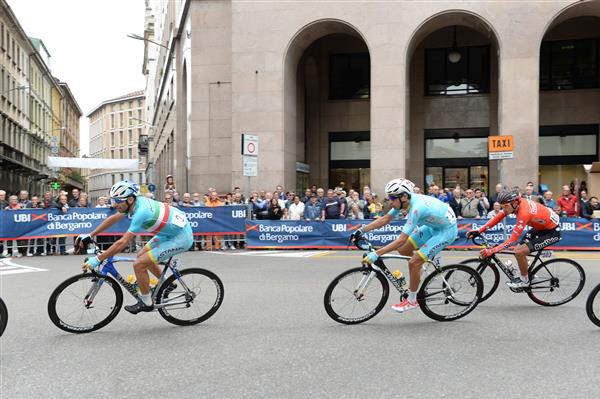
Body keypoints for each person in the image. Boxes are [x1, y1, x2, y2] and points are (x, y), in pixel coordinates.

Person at [76, 180, 193, 314]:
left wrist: (98, 259)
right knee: (141, 256)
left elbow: (122, 242)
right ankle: (167, 285)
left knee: (139, 264)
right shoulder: (132, 204)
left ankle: (146, 301)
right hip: (167, 233)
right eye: (113, 200)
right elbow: (113, 218)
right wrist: (90, 235)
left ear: (130, 199)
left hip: (180, 238)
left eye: (118, 201)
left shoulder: (141, 212)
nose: (115, 204)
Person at [353, 178, 457, 313]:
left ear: (404, 196)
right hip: (433, 227)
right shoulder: (403, 201)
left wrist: (377, 253)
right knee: (403, 249)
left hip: (446, 231)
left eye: (392, 197)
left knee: (413, 262)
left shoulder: (416, 209)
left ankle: (412, 300)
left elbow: (401, 239)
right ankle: (420, 268)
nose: (390, 201)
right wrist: (362, 230)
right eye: (388, 197)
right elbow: (385, 219)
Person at [467, 190, 561, 289]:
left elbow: (512, 240)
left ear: (515, 203)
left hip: (552, 232)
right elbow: (498, 217)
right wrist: (479, 231)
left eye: (506, 206)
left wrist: (492, 250)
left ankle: (525, 281)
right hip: (541, 227)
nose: (504, 209)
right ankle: (529, 274)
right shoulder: (515, 204)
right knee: (519, 249)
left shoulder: (524, 212)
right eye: (502, 206)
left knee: (519, 252)